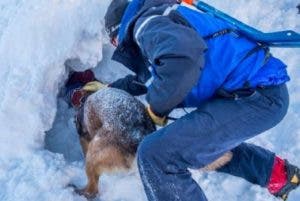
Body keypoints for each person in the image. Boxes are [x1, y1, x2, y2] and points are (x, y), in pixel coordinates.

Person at [67, 0, 300, 200]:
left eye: (114, 42)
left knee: (157, 154)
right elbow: (150, 78)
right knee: (186, 142)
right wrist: (110, 88)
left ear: (118, 32)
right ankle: (278, 174)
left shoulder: (145, 25)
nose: (117, 47)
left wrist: (157, 107)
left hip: (258, 96)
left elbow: (183, 62)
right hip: (251, 94)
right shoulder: (160, 23)